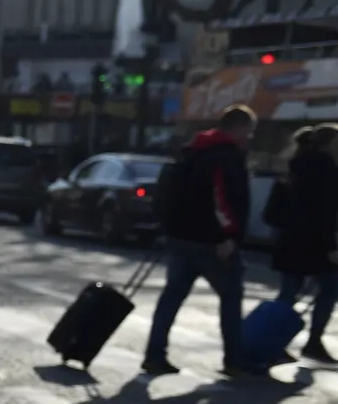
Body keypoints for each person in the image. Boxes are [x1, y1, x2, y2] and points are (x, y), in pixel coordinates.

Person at [144, 104, 255, 378]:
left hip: (179, 236)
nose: (250, 137)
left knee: (172, 297)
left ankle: (154, 355)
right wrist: (229, 235)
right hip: (210, 241)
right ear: (238, 128)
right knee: (231, 295)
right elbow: (222, 200)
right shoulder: (225, 156)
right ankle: (234, 359)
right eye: (249, 131)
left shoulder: (192, 152)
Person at [270, 123, 338, 365]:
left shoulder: (292, 168)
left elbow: (271, 213)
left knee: (288, 292)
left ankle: (273, 342)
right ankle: (313, 341)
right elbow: (326, 214)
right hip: (316, 244)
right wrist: (331, 247)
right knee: (329, 290)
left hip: (290, 241)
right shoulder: (328, 171)